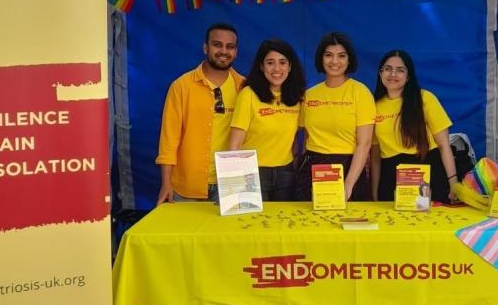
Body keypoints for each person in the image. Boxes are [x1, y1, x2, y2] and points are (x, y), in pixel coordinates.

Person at [155, 23, 244, 204]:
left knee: (227, 233)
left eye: (230, 46)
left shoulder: (245, 88)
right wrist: (165, 183)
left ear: (236, 52)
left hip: (232, 184)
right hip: (186, 187)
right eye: (217, 45)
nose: (223, 51)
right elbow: (169, 139)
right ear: (205, 47)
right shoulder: (181, 86)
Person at [371, 49, 458, 204]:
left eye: (400, 70)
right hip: (390, 177)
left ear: (408, 76)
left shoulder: (425, 99)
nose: (393, 74)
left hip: (427, 174)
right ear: (380, 73)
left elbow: (444, 145)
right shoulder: (372, 106)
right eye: (388, 69)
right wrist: (374, 192)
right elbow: (376, 156)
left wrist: (453, 184)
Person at [296, 32, 375, 201]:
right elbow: (306, 139)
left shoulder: (360, 92)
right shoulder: (309, 95)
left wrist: (348, 183)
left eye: (341, 56)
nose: (334, 61)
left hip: (348, 167)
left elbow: (365, 143)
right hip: (312, 168)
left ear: (349, 59)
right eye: (328, 55)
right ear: (321, 58)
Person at [228, 39, 305, 201]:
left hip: (286, 173)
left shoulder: (297, 98)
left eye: (282, 62)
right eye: (270, 63)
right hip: (252, 173)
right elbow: (234, 145)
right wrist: (234, 186)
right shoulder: (248, 94)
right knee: (252, 223)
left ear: (290, 67)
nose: (277, 69)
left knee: (281, 223)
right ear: (261, 66)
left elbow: (295, 142)